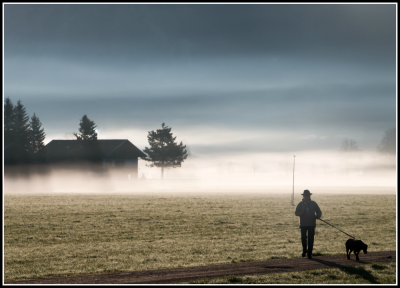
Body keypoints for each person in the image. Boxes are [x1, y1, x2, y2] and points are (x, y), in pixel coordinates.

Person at [295, 189, 322, 259]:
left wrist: (318, 215)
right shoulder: (300, 204)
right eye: (305, 195)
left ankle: (309, 254)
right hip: (303, 224)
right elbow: (296, 213)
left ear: (309, 196)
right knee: (303, 238)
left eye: (307, 195)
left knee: (311, 239)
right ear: (303, 196)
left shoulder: (313, 203)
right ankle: (304, 250)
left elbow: (319, 211)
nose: (306, 196)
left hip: (311, 224)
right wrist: (301, 213)